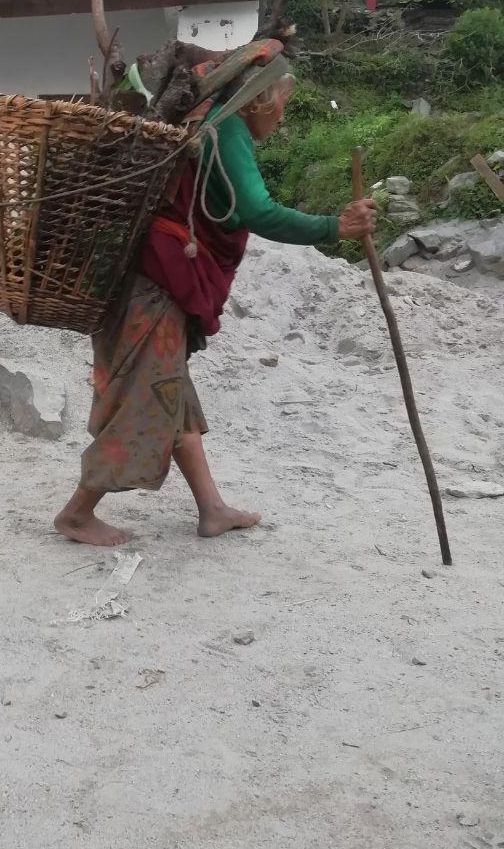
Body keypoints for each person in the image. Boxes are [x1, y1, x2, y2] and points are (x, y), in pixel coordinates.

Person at [54, 59, 378, 547]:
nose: (283, 118)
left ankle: (212, 509)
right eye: (283, 106)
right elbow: (256, 210)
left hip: (153, 277)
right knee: (149, 397)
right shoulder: (228, 129)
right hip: (157, 284)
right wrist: (333, 228)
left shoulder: (210, 122)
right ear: (262, 100)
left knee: (172, 395)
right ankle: (78, 514)